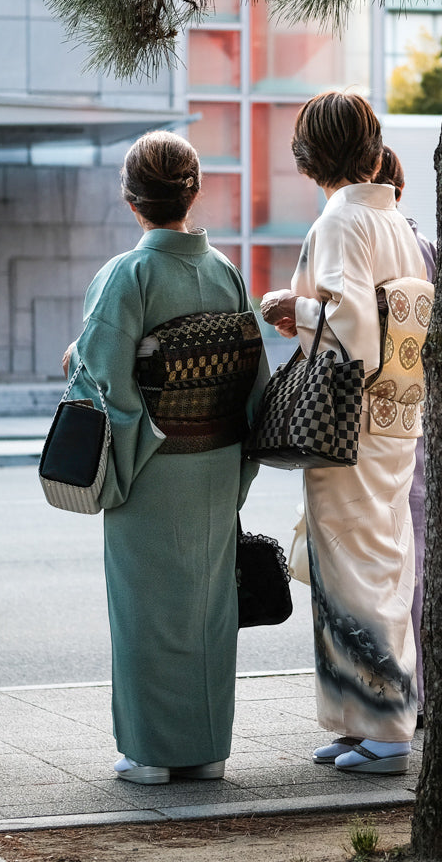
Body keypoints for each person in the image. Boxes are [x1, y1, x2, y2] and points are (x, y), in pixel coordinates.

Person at [62, 130, 269, 785]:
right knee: (208, 611)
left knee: (147, 612)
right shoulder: (226, 272)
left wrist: (113, 474)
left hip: (147, 467)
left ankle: (151, 752)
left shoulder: (127, 275)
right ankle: (208, 747)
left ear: (132, 200)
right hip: (213, 466)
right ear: (194, 191)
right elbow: (252, 386)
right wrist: (237, 469)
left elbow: (98, 383)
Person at [261, 92, 427, 776]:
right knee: (378, 559)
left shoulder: (340, 220)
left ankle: (385, 725)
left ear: (311, 152)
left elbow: (354, 328)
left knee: (355, 570)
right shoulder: (388, 215)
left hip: (348, 417)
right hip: (395, 413)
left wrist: (288, 306)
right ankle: (360, 718)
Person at [374, 145, 436, 728]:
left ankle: (400, 698)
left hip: (390, 420)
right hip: (420, 421)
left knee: (398, 563)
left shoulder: (390, 246)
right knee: (409, 557)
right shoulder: (428, 250)